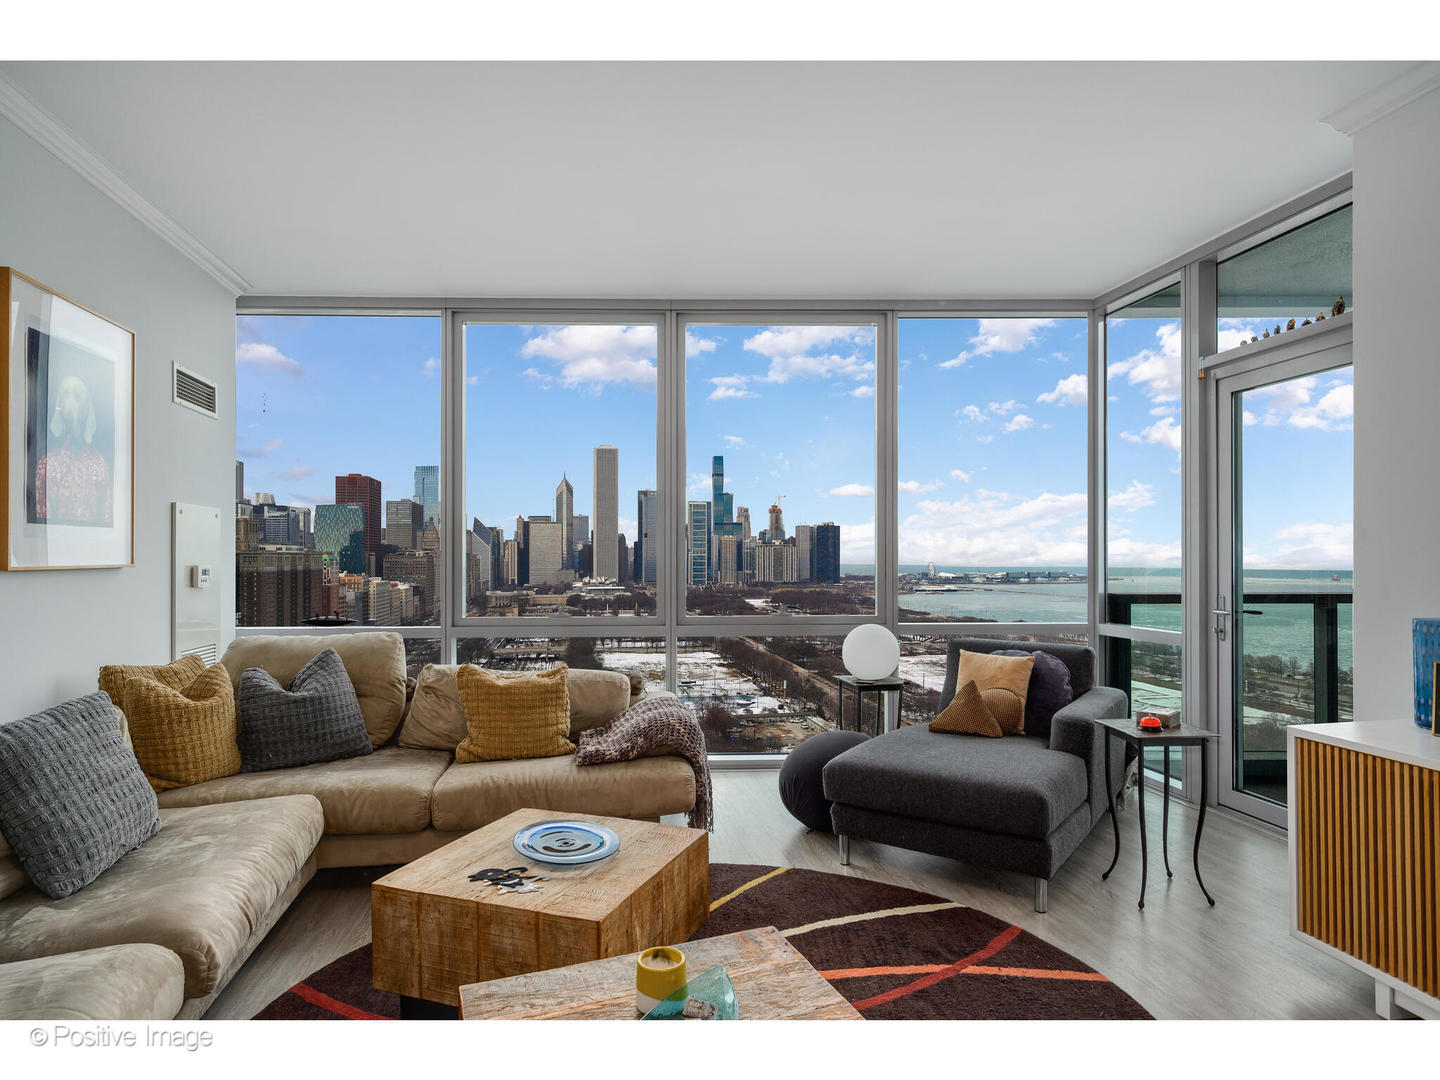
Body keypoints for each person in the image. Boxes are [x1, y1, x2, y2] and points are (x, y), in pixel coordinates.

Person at [34, 373, 111, 526]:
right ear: (59, 408)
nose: (69, 407)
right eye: (65, 395)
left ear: (87, 410)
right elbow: (41, 527)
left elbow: (107, 520)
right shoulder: (46, 465)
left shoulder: (99, 464)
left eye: (77, 396)